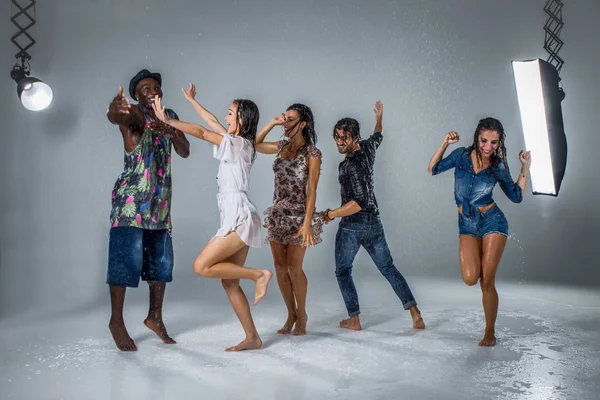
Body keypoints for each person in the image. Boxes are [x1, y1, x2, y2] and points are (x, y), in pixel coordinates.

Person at [152, 84, 272, 351]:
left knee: (201, 266)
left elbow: (203, 132)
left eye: (231, 113)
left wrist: (168, 120)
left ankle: (258, 275)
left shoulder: (238, 144)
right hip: (240, 213)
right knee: (230, 283)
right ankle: (252, 336)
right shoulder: (240, 143)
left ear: (242, 119)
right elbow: (211, 122)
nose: (226, 117)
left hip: (239, 215)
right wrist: (193, 101)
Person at [427, 117, 531, 346]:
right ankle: (489, 326)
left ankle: (489, 332)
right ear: (477, 137)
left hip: (492, 222)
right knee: (470, 277)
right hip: (467, 224)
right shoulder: (461, 156)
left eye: (494, 143)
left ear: (499, 143)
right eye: (485, 140)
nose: (488, 147)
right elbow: (432, 168)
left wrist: (525, 168)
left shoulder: (497, 166)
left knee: (487, 281)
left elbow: (516, 195)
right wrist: (445, 142)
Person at [106, 69, 190, 351]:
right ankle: (116, 321)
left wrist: (171, 130)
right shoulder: (135, 114)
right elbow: (119, 117)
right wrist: (114, 110)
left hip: (160, 204)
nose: (152, 90)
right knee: (124, 262)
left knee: (161, 264)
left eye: (155, 86)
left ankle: (155, 317)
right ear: (135, 95)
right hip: (130, 203)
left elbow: (185, 150)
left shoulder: (171, 115)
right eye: (145, 88)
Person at [324, 101, 425, 331]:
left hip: (352, 225)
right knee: (388, 268)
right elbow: (378, 135)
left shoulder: (352, 164)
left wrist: (332, 213)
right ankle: (415, 313)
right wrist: (379, 117)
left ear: (355, 139)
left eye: (344, 138)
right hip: (374, 224)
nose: (339, 142)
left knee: (342, 271)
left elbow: (360, 202)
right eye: (337, 137)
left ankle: (354, 319)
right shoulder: (368, 147)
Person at [255, 104, 324, 335]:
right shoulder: (281, 146)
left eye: (289, 119)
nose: (285, 123)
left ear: (302, 124)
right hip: (278, 214)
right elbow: (254, 144)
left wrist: (307, 224)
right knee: (279, 267)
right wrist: (272, 123)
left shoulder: (312, 153)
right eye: (284, 119)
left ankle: (302, 314)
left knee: (295, 269)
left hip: (298, 215)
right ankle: (290, 313)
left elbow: (312, 190)